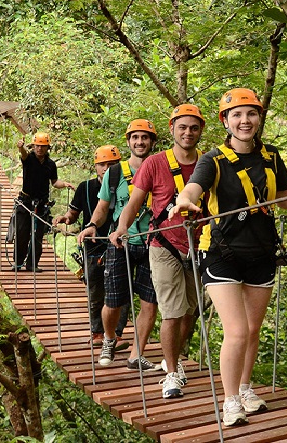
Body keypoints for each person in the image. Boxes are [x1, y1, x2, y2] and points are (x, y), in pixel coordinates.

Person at [170, 88, 287, 426]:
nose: (244, 120)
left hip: (262, 251)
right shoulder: (213, 159)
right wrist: (185, 199)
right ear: (225, 121)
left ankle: (246, 388)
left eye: (251, 113)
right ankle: (230, 400)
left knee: (252, 330)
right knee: (235, 331)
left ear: (259, 118)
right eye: (236, 115)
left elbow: (282, 199)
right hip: (222, 252)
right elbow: (194, 187)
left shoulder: (271, 156)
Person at [110, 104, 206, 399]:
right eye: (182, 127)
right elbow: (135, 201)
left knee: (191, 310)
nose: (187, 133)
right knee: (173, 311)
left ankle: (172, 358)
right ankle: (172, 373)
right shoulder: (154, 163)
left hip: (199, 245)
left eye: (193, 128)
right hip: (163, 244)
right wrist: (122, 227)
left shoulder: (209, 162)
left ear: (200, 130)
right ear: (172, 129)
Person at [77, 119, 160, 371]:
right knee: (112, 302)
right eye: (135, 137)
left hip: (154, 243)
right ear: (128, 142)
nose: (140, 142)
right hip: (120, 242)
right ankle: (109, 338)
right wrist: (92, 224)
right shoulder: (115, 173)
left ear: (152, 142)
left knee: (150, 302)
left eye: (145, 138)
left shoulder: (161, 168)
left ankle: (137, 353)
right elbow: (103, 208)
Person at [53, 145, 129, 345]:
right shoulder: (85, 188)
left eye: (111, 164)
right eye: (102, 164)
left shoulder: (128, 186)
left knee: (120, 290)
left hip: (120, 245)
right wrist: (65, 218)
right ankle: (97, 333)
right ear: (95, 166)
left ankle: (117, 334)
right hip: (94, 246)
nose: (106, 168)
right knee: (95, 290)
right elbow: (74, 212)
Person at [13, 132, 74, 272]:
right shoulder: (29, 158)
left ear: (47, 147)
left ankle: (32, 264)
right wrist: (20, 147)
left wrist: (64, 184)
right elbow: (23, 154)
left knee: (38, 235)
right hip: (25, 202)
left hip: (41, 204)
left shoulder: (51, 164)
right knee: (22, 233)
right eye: (37, 146)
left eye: (42, 146)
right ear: (33, 146)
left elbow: (54, 182)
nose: (39, 149)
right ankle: (18, 263)